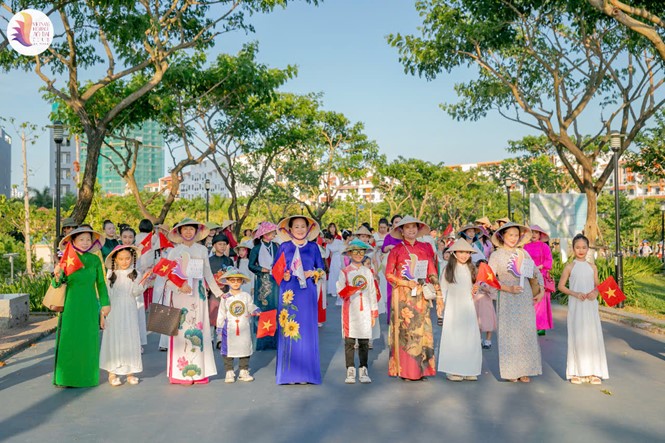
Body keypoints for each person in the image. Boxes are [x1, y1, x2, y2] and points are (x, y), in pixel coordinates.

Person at [165, 219, 224, 385]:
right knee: (182, 329)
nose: (189, 232)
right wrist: (178, 287)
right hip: (181, 295)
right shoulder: (174, 252)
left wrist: (219, 293)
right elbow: (167, 276)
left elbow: (207, 274)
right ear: (179, 232)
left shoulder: (202, 250)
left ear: (197, 232)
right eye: (185, 229)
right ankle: (180, 373)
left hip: (198, 294)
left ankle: (199, 372)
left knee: (199, 329)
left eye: (192, 229)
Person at [51, 227, 109, 387]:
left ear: (92, 242)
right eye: (81, 239)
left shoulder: (95, 260)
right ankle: (66, 378)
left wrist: (105, 303)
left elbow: (101, 284)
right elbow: (56, 284)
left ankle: (87, 377)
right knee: (69, 341)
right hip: (70, 306)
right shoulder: (67, 259)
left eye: (88, 240)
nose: (85, 243)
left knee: (88, 341)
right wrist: (56, 274)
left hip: (90, 305)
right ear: (73, 241)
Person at [385, 215, 439, 381]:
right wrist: (405, 283)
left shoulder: (425, 247)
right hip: (403, 296)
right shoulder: (396, 250)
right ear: (401, 231)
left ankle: (421, 370)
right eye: (407, 228)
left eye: (413, 227)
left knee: (422, 330)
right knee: (406, 331)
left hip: (421, 295)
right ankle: (406, 371)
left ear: (418, 229)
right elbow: (388, 274)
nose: (411, 230)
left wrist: (438, 290)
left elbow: (432, 271)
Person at [488, 222, 543, 383]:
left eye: (516, 235)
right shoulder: (496, 255)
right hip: (506, 297)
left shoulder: (523, 253)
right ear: (502, 236)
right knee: (509, 334)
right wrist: (507, 288)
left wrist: (541, 291)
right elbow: (489, 278)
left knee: (525, 332)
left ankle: (525, 370)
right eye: (510, 235)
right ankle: (511, 371)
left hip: (524, 296)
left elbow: (535, 272)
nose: (513, 238)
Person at [275, 215, 325, 385]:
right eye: (296, 226)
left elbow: (322, 269)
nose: (300, 229)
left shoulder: (313, 248)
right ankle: (289, 374)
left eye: (303, 226)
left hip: (307, 293)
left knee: (306, 330)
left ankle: (306, 374)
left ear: (308, 229)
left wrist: (314, 273)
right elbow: (276, 270)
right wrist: (285, 274)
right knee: (289, 331)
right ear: (290, 229)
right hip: (289, 292)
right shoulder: (284, 247)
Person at [557, 234, 609, 385]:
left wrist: (595, 293)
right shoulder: (569, 267)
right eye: (577, 247)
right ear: (573, 249)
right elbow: (561, 286)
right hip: (576, 305)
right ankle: (576, 372)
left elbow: (598, 286)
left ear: (588, 249)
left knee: (592, 335)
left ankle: (594, 371)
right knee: (577, 335)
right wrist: (575, 293)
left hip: (590, 306)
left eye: (584, 247)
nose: (581, 250)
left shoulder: (593, 267)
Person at [100, 245, 148, 386]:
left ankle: (130, 373)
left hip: (130, 309)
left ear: (132, 258)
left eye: (127, 258)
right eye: (121, 259)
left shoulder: (135, 273)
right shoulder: (110, 274)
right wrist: (103, 314)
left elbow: (136, 292)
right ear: (115, 259)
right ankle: (112, 373)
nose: (124, 261)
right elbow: (106, 296)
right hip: (113, 310)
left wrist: (144, 281)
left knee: (129, 337)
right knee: (114, 337)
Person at [436, 239, 482, 381]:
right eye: (461, 252)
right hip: (453, 308)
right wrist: (440, 304)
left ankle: (469, 369)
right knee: (454, 336)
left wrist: (475, 289)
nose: (464, 255)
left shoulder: (472, 268)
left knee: (469, 337)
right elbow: (442, 289)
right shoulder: (448, 269)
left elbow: (473, 288)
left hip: (468, 307)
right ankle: (453, 369)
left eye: (467, 252)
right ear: (454, 253)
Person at [336, 240, 378, 384]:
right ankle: (350, 369)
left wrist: (374, 312)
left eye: (361, 251)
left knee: (364, 341)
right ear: (349, 253)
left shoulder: (368, 272)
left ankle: (363, 368)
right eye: (355, 251)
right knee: (349, 341)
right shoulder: (345, 272)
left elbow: (372, 292)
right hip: (350, 310)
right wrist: (352, 289)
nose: (358, 255)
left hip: (365, 310)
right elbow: (340, 291)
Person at [216, 268, 261, 383]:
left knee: (244, 348)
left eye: (238, 280)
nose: (235, 282)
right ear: (228, 281)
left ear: (242, 282)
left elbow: (250, 306)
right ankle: (229, 371)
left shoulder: (245, 296)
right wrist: (219, 330)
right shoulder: (225, 297)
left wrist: (255, 310)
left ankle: (243, 371)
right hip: (229, 328)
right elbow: (221, 313)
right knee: (228, 351)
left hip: (244, 327)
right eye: (232, 280)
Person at [248, 222, 280, 351]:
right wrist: (262, 269)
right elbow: (251, 265)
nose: (274, 235)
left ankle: (274, 342)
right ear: (265, 234)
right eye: (272, 233)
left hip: (275, 280)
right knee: (263, 308)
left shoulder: (276, 246)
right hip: (262, 281)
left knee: (274, 308)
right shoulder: (256, 248)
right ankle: (262, 342)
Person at [524, 225, 554, 335]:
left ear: (540, 235)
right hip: (528, 277)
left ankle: (540, 326)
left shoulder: (544, 247)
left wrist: (541, 266)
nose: (534, 235)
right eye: (532, 232)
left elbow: (549, 260)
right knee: (529, 301)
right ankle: (530, 325)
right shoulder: (525, 247)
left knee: (541, 302)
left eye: (536, 232)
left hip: (541, 276)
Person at [208, 233, 234, 337]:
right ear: (214, 245)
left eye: (224, 244)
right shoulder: (209, 260)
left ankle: (220, 339)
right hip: (212, 292)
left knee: (223, 315)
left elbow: (233, 276)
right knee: (212, 314)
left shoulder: (229, 260)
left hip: (226, 291)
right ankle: (210, 338)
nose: (222, 246)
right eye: (220, 244)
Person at [381, 215, 403, 322]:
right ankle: (391, 318)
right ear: (392, 224)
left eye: (400, 222)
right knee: (391, 293)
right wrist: (389, 247)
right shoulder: (389, 237)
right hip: (392, 268)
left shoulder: (406, 236)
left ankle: (403, 317)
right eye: (396, 222)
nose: (397, 224)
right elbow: (383, 249)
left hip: (404, 269)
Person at [473, 259, 497, 350]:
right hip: (476, 301)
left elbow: (491, 290)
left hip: (486, 301)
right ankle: (478, 339)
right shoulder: (475, 278)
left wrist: (483, 287)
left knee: (488, 320)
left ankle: (488, 340)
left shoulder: (489, 279)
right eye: (479, 268)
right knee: (478, 320)